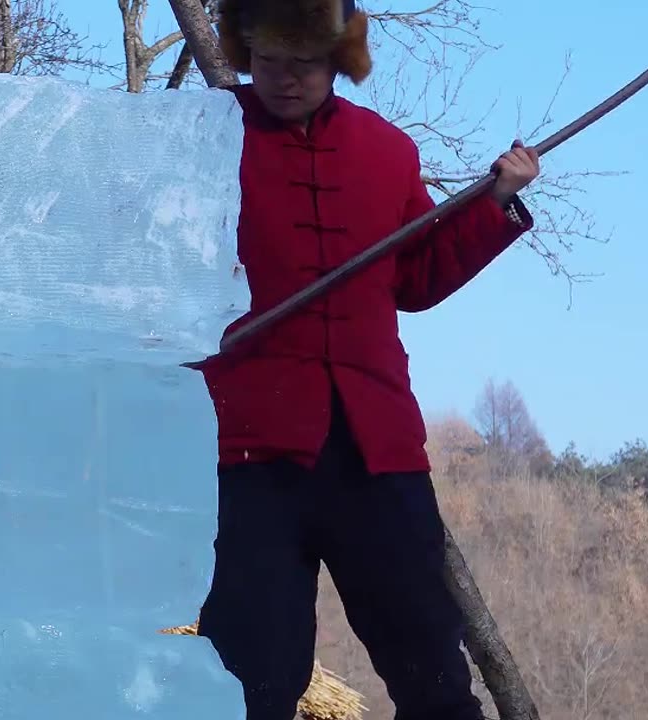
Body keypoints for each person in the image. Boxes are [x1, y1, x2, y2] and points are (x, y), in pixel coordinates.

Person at [191, 1, 540, 719]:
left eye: (305, 63)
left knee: (432, 669)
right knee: (252, 677)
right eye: (270, 60)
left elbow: (416, 279)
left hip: (377, 453)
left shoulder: (387, 150)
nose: (286, 79)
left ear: (338, 60)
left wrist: (496, 202)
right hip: (247, 455)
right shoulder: (199, 139)